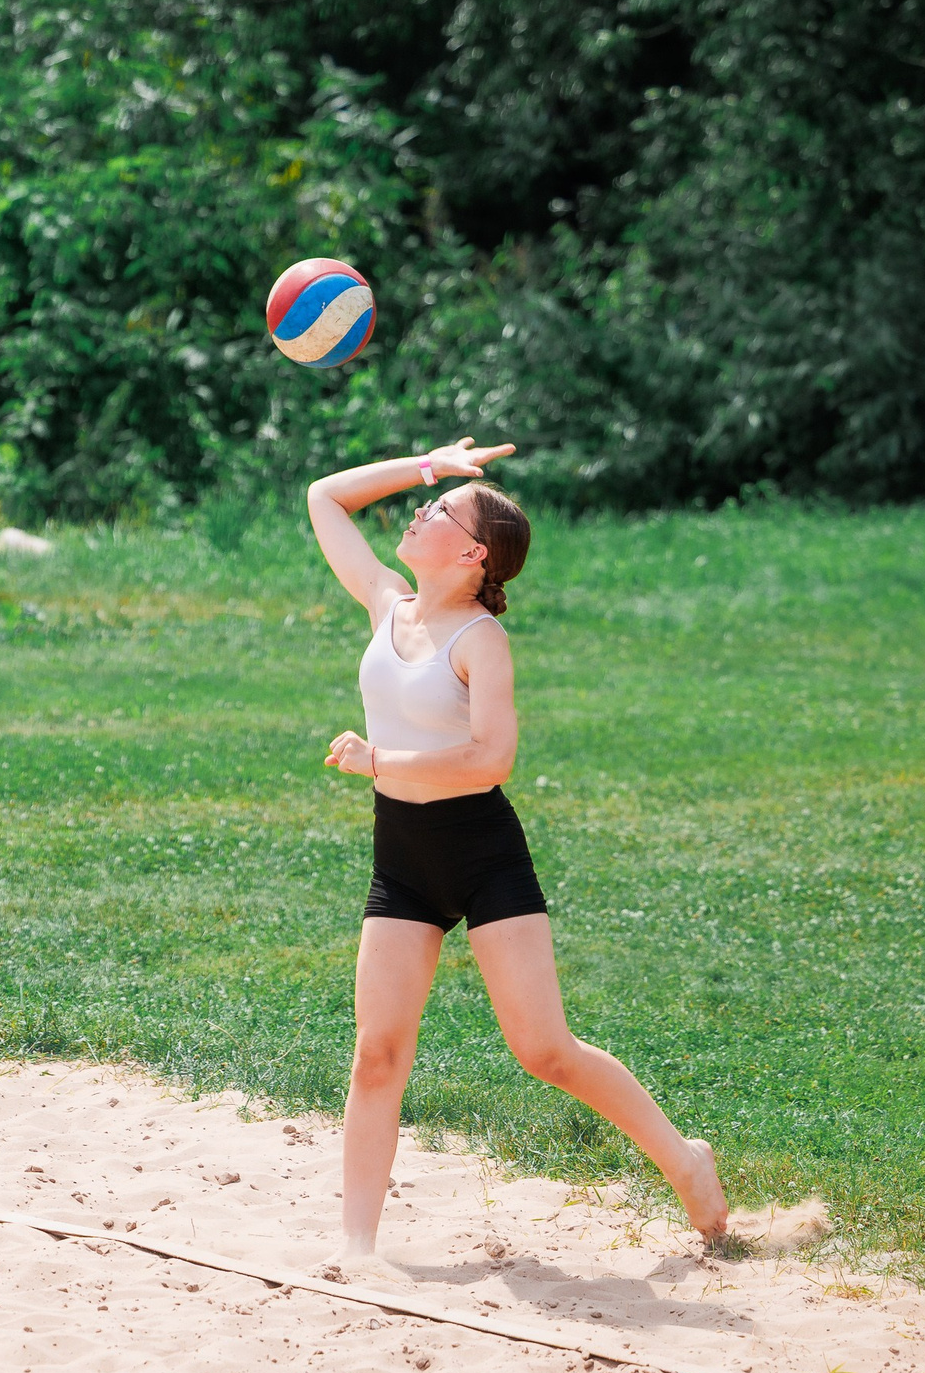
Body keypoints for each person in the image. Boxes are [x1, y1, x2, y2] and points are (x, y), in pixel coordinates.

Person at [307, 440, 728, 1267]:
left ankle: (686, 1159)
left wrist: (379, 758)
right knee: (377, 1052)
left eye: (440, 513)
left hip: (483, 855)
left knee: (544, 1050)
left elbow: (490, 759)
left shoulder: (481, 640)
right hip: (402, 858)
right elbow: (325, 496)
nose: (420, 512)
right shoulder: (388, 603)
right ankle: (358, 1249)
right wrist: (430, 467)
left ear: (474, 555)